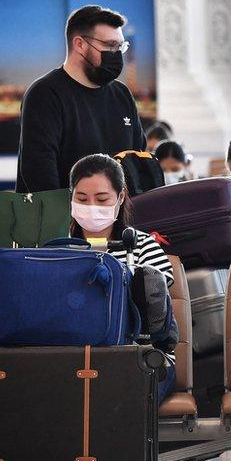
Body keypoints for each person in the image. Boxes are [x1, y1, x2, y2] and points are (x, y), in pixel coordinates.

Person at [69, 154, 176, 402]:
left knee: (117, 398)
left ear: (120, 197)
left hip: (141, 358)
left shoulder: (143, 246)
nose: (91, 206)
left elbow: (155, 307)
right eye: (82, 199)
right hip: (73, 358)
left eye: (102, 198)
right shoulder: (58, 249)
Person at [17, 5, 143, 193]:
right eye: (109, 45)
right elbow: (39, 172)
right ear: (80, 44)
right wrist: (69, 220)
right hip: (61, 218)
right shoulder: (44, 93)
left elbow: (137, 162)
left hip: (115, 219)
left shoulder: (122, 94)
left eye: (120, 47)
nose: (116, 54)